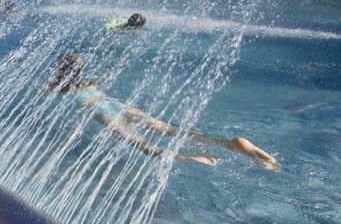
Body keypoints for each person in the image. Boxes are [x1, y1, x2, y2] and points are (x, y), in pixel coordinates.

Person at [49, 53, 280, 170]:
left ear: (59, 71)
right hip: (117, 104)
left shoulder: (60, 88)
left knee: (146, 147)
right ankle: (228, 143)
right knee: (171, 130)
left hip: (102, 112)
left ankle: (193, 158)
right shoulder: (92, 83)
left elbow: (45, 96)